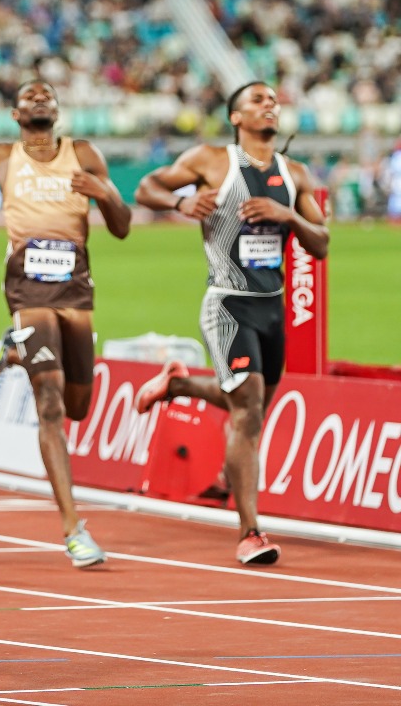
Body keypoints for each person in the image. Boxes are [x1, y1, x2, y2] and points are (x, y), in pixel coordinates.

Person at [0, 79, 131, 569]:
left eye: (46, 94)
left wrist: (106, 195)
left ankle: (15, 351)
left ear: (56, 109)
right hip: (28, 290)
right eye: (29, 96)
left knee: (79, 406)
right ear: (15, 114)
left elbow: (122, 225)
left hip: (75, 290)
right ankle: (74, 529)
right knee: (50, 404)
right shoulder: (0, 157)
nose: (38, 98)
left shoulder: (85, 154)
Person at [133, 81, 329, 565]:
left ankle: (179, 384)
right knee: (247, 413)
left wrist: (288, 216)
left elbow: (321, 243)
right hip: (227, 304)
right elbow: (145, 187)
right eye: (258, 100)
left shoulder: (294, 173)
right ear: (237, 117)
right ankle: (250, 532)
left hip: (272, 307)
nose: (270, 105)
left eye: (274, 101)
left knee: (252, 405)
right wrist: (179, 204)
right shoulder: (210, 161)